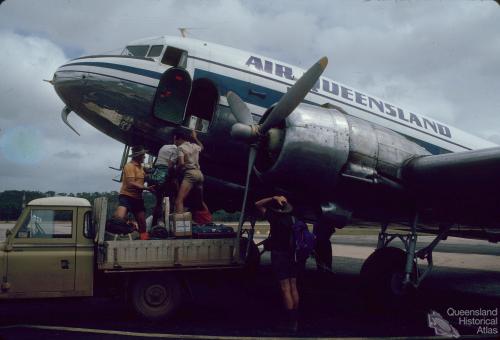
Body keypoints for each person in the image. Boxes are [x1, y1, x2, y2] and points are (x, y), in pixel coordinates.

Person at [255, 195, 301, 332]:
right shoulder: (294, 219)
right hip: (293, 256)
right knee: (293, 287)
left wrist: (273, 198)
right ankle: (295, 321)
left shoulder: (274, 218)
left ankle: (290, 323)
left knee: (285, 288)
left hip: (280, 255)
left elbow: (257, 204)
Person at [114, 145, 155, 240]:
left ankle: (144, 240)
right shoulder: (129, 166)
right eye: (143, 155)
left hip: (138, 198)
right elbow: (131, 183)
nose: (144, 157)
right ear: (137, 156)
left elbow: (148, 174)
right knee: (118, 219)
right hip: (126, 196)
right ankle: (118, 237)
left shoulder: (141, 168)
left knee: (142, 223)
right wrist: (147, 188)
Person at [173, 128, 208, 214]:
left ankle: (179, 226)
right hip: (199, 175)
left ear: (180, 139)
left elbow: (181, 163)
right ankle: (207, 220)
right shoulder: (194, 146)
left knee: (178, 201)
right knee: (200, 202)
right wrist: (195, 138)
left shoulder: (180, 148)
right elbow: (202, 147)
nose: (174, 143)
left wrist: (175, 172)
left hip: (190, 174)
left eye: (175, 140)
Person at [150, 143, 178, 226]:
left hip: (157, 176)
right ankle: (168, 226)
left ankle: (154, 225)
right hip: (167, 179)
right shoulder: (177, 149)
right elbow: (170, 165)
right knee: (171, 202)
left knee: (158, 202)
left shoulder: (163, 147)